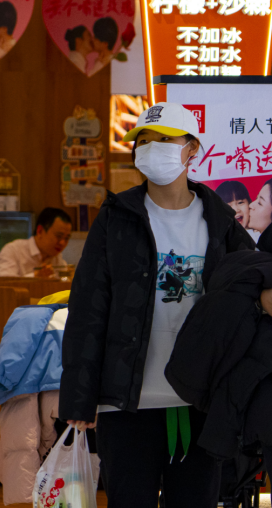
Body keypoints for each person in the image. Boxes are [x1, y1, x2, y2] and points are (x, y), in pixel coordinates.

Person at [60, 102, 254, 508]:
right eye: (144, 141)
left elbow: (249, 288)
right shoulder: (116, 217)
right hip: (126, 403)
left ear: (192, 149)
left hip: (199, 400)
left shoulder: (220, 220)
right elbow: (88, 309)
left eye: (165, 139)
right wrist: (79, 396)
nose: (152, 148)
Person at [0, 208, 73, 278]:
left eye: (66, 238)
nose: (62, 243)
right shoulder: (13, 251)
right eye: (59, 236)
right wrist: (35, 276)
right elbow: (3, 283)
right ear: (40, 231)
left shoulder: (57, 259)